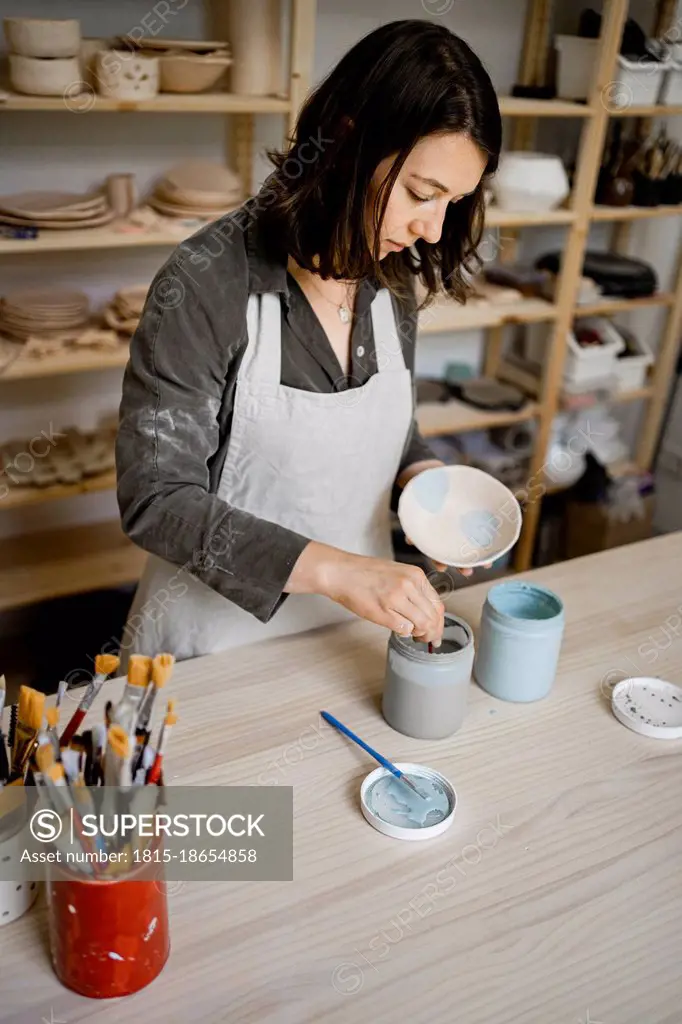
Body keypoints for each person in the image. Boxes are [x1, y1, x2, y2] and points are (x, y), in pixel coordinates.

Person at [115, 18, 502, 665]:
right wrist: (339, 572)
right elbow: (156, 500)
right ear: (348, 142)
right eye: (420, 193)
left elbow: (386, 430)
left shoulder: (391, 276)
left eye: (453, 203)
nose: (433, 229)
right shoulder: (207, 280)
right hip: (214, 648)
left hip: (346, 642)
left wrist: (430, 488)